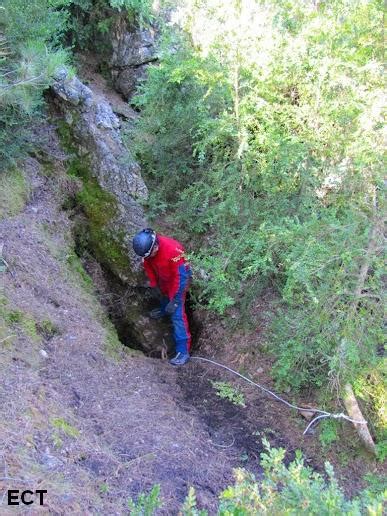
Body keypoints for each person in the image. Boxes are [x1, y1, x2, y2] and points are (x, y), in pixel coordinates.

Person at [132, 228, 192, 366]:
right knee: (164, 298)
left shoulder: (174, 250)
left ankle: (183, 351)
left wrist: (176, 300)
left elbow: (181, 276)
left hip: (177, 283)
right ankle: (165, 309)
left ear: (156, 245)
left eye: (151, 253)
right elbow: (148, 264)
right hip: (163, 280)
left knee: (177, 316)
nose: (149, 257)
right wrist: (154, 283)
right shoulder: (148, 252)